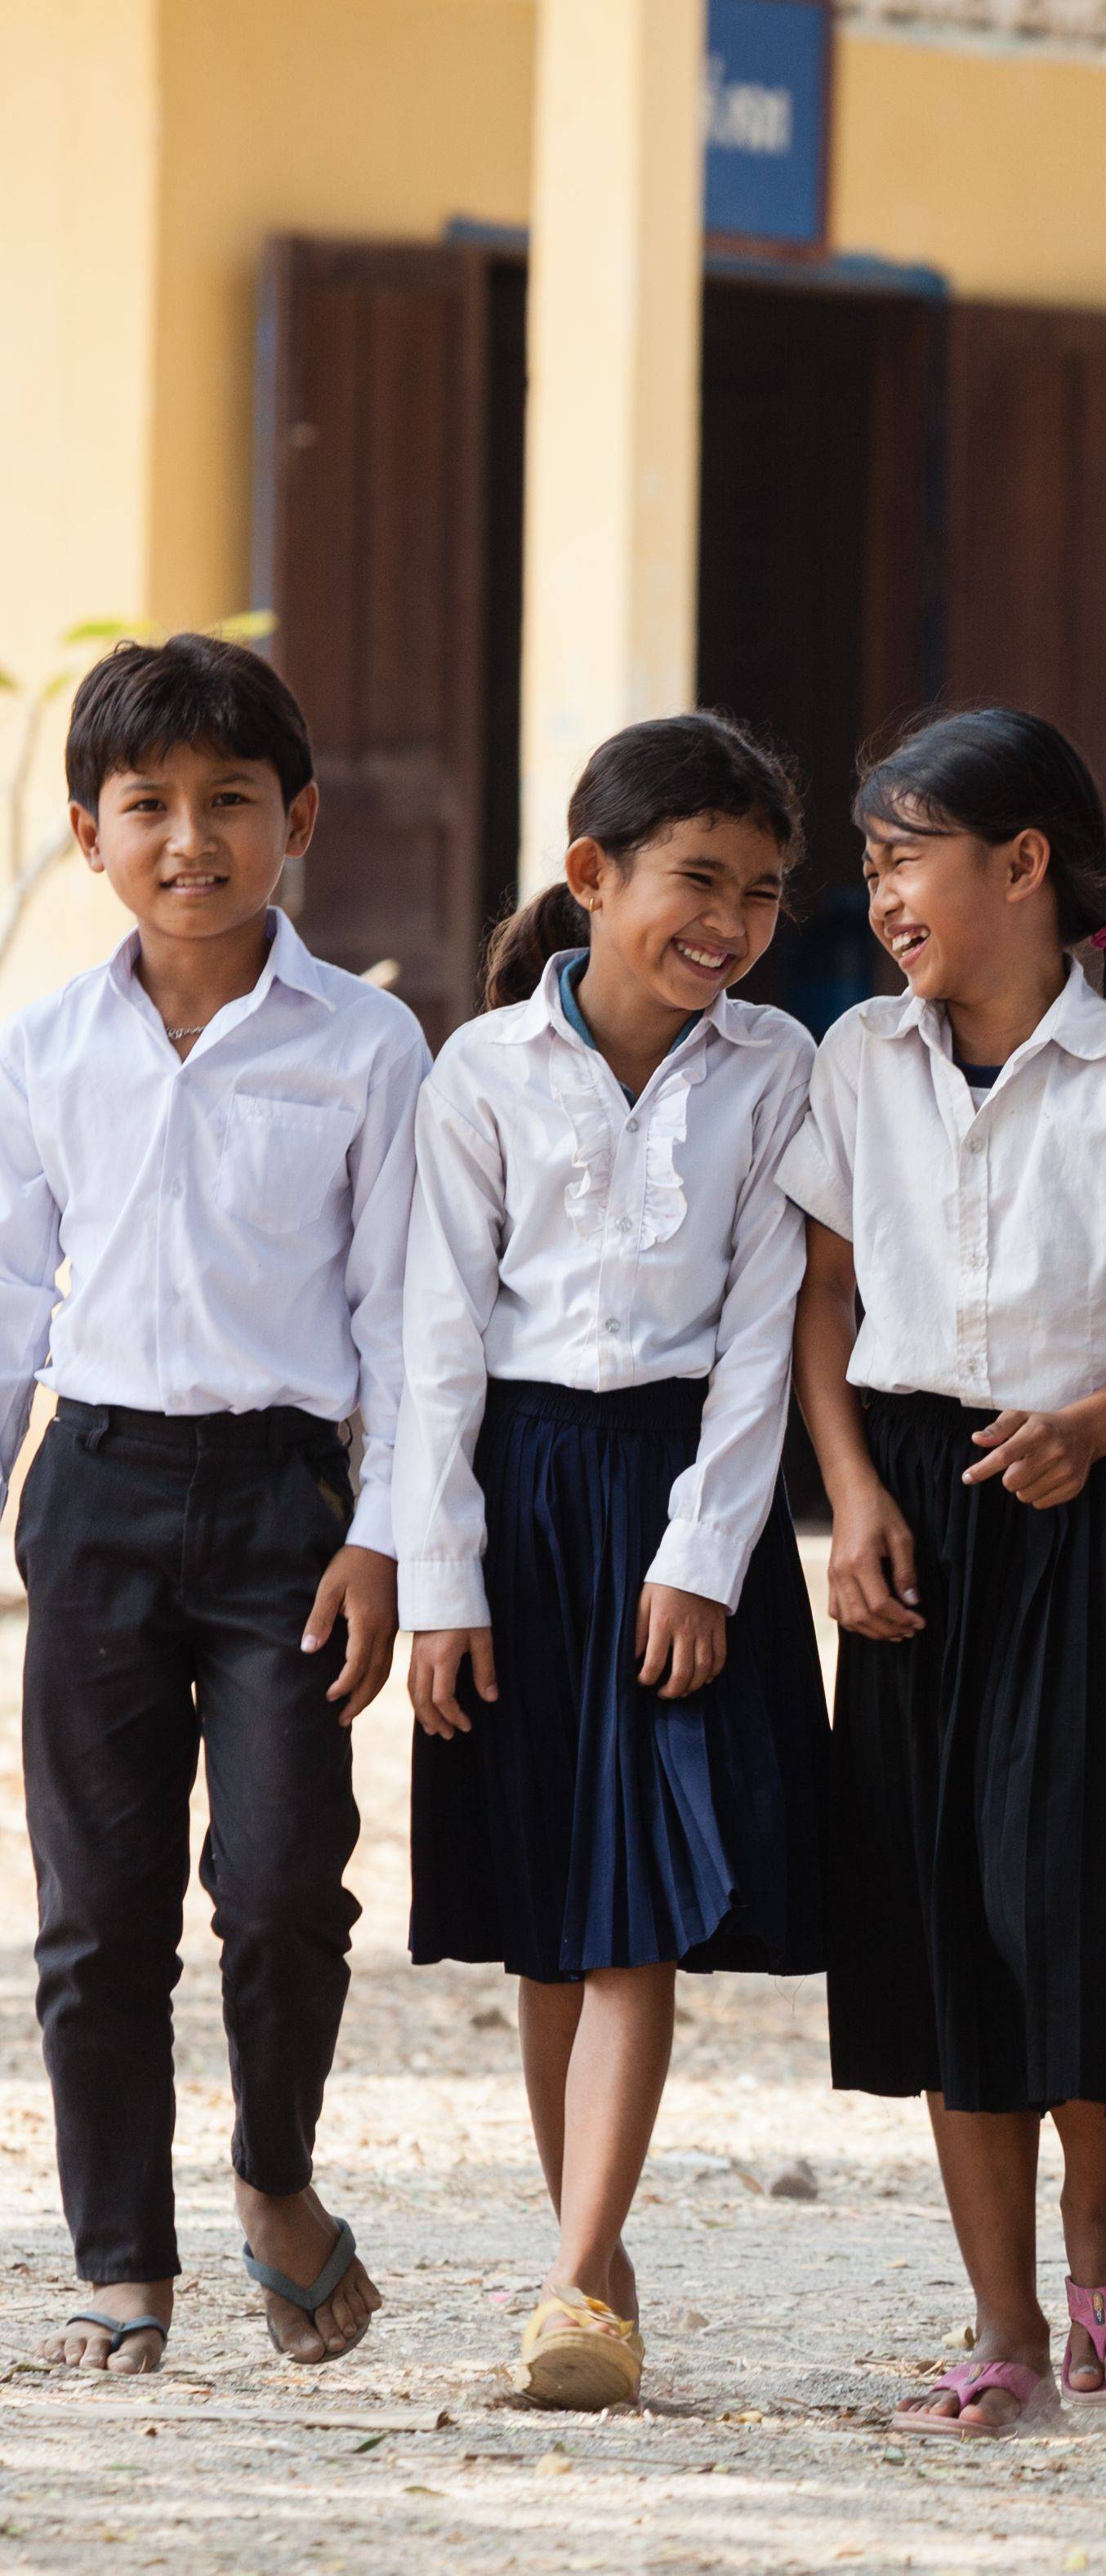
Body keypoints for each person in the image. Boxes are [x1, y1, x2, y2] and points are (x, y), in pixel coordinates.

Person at [785, 709, 1106, 2438]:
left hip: (1080, 1498)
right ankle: (1000, 2325)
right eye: (873, 856)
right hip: (905, 1485)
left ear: (1024, 864)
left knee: (1051, 1880)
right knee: (922, 1899)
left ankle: (1098, 2197)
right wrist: (846, 1497)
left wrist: (1100, 1421)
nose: (880, 889)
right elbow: (821, 1306)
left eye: (905, 851)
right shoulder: (855, 1059)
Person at [2, 635, 427, 2375]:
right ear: (92, 833)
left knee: (277, 1885)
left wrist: (387, 1532)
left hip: (281, 1509)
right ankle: (123, 2258)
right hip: (93, 1492)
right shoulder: (44, 1048)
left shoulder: (366, 1043)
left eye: (230, 802)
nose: (192, 838)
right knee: (98, 1916)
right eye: (150, 807)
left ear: (296, 819)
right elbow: (12, 1296)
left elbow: (408, 1319)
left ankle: (273, 2179)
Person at [397, 713, 829, 2410]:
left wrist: (706, 1556)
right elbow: (434, 1335)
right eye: (694, 880)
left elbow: (760, 1325)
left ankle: (576, 2277)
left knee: (640, 1894)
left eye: (764, 892)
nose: (728, 922)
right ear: (594, 877)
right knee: (545, 1906)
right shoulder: (482, 1071)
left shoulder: (775, 1067)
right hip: (519, 1491)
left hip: (672, 1487)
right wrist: (441, 1572)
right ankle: (595, 2237)